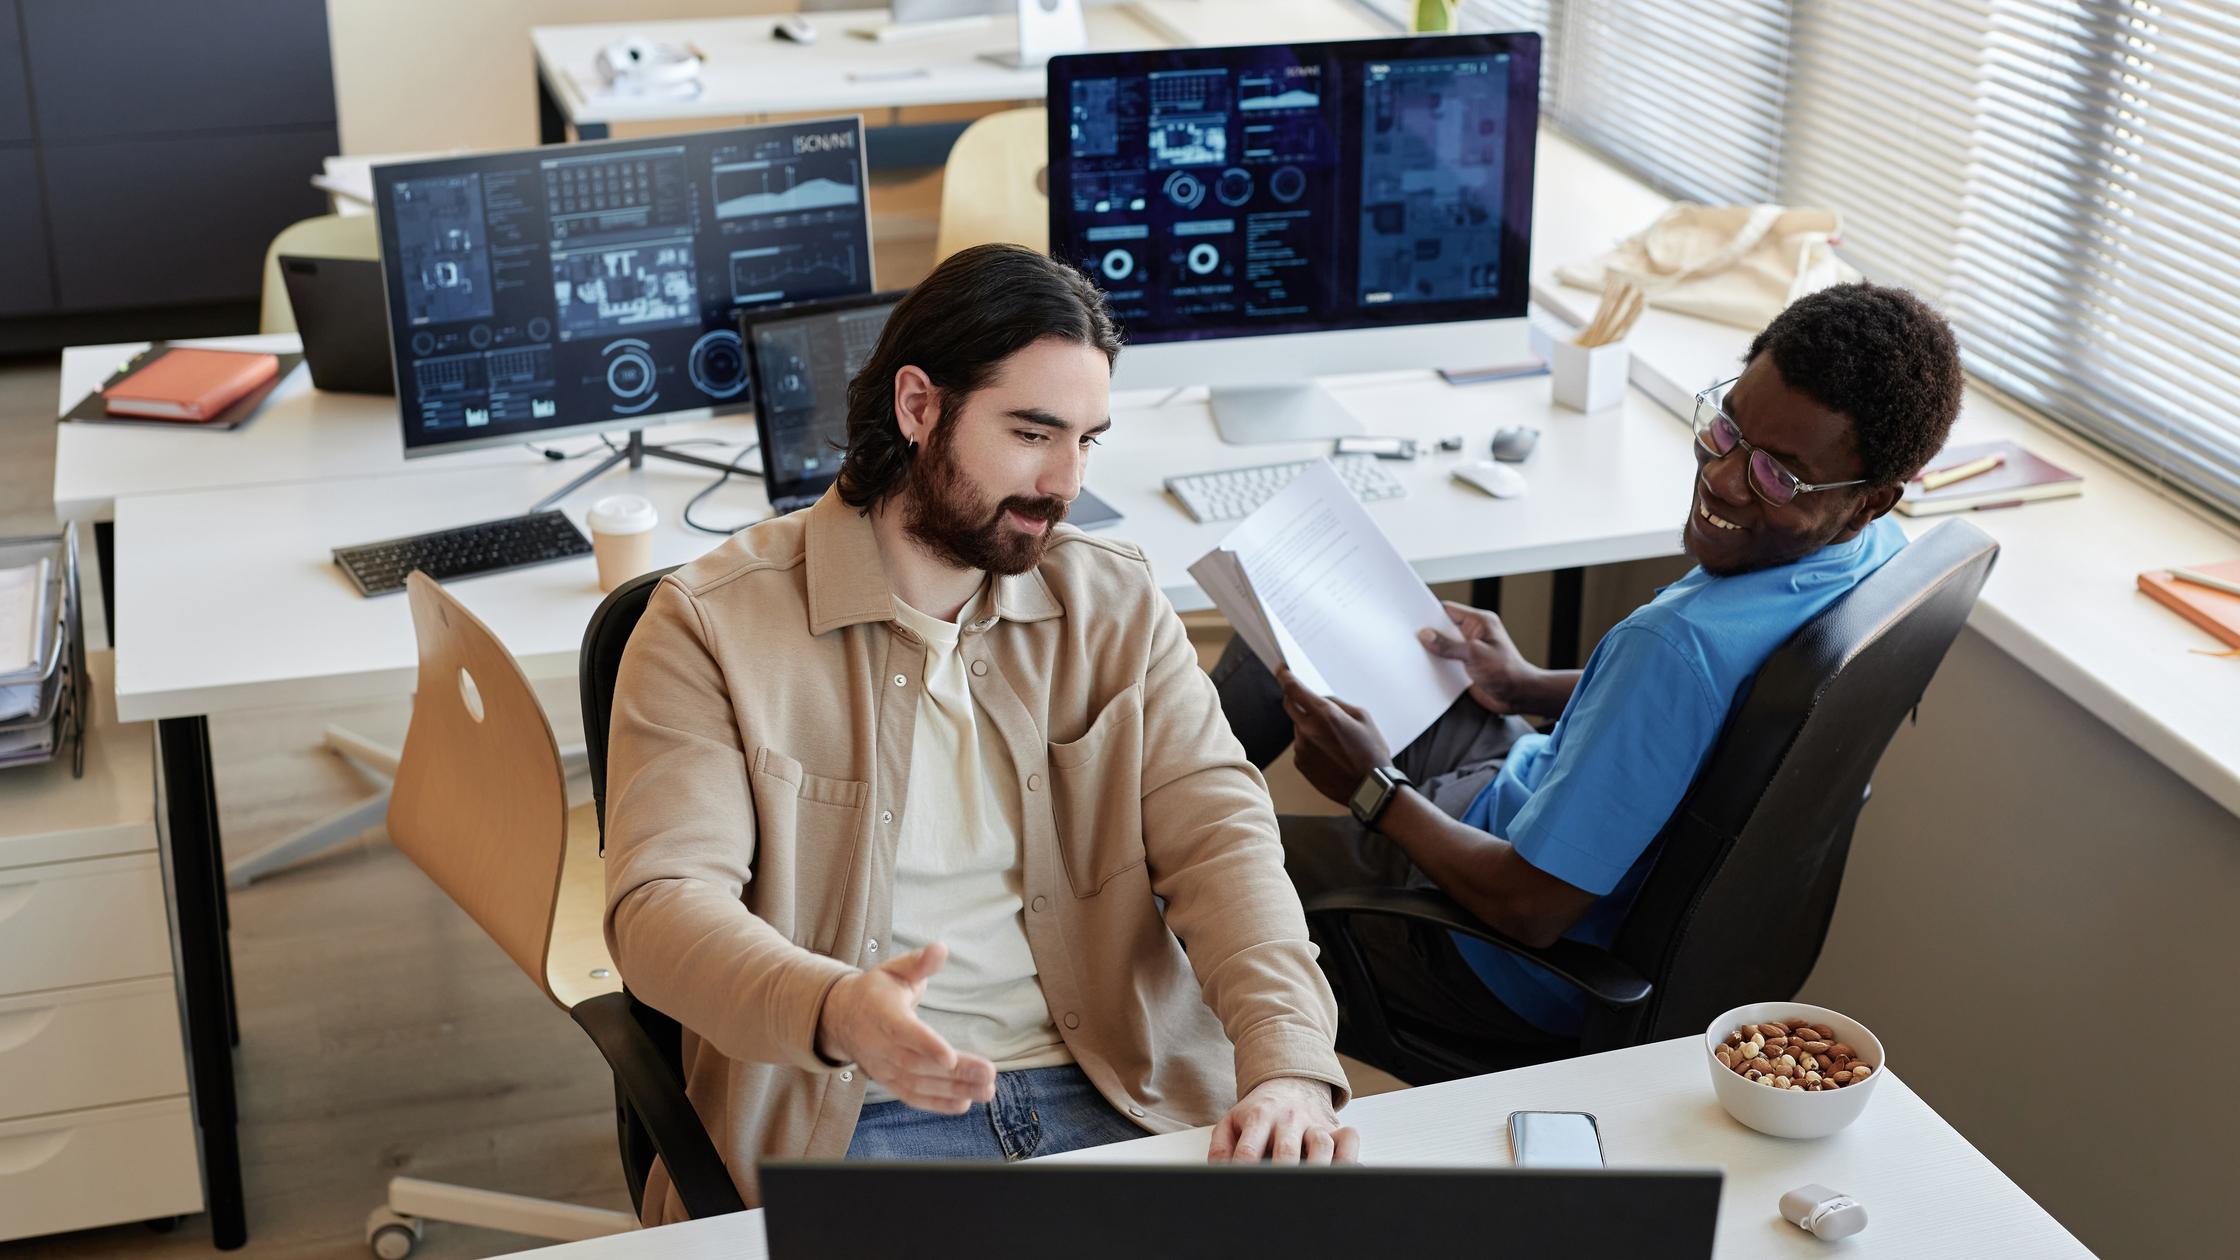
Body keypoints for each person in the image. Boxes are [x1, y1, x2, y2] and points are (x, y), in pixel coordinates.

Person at [603, 243, 1356, 1224]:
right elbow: (659, 908)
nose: (1064, 481)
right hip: (862, 1112)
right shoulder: (711, 624)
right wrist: (834, 1009)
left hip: (1124, 1089)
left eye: (1088, 439)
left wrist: (1286, 1061)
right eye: (1032, 432)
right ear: (918, 407)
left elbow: (1222, 842)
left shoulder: (1111, 598)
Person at [1213, 282, 1965, 1061]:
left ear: (1868, 500)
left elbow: (1528, 909)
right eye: (1728, 427)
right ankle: (1104, 820)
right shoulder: (1872, 562)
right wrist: (1526, 685)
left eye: (1780, 476)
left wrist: (1375, 790)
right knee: (1282, 627)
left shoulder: (1676, 648)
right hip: (1524, 798)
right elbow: (1713, 720)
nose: (1726, 477)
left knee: (1195, 855)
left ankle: (1109, 885)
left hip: (1485, 949)